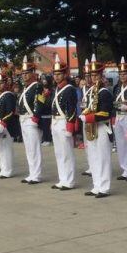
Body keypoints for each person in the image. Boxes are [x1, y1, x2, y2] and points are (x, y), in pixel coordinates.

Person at [80, 54, 114, 198]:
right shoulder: (90, 91)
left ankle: (104, 187)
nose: (94, 77)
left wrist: (89, 117)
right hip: (91, 127)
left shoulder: (104, 92)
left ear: (101, 75)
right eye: (92, 75)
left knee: (103, 157)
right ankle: (96, 185)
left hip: (101, 127)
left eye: (96, 75)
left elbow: (106, 113)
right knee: (93, 157)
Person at [17, 56, 47, 184]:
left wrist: (36, 116)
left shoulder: (37, 86)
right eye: (23, 74)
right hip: (24, 119)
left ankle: (37, 175)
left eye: (26, 73)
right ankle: (32, 173)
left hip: (31, 119)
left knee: (34, 148)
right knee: (29, 149)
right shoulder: (25, 88)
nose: (24, 76)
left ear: (32, 73)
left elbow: (39, 102)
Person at [50, 55, 78, 189]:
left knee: (67, 153)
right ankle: (62, 178)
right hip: (55, 122)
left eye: (59, 74)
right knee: (59, 153)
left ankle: (69, 180)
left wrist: (70, 126)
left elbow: (72, 108)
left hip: (64, 122)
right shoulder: (56, 89)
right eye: (55, 74)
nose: (56, 76)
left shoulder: (70, 89)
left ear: (65, 74)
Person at [0, 68, 17, 179]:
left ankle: (8, 170)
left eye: (1, 83)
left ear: (5, 83)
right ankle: (3, 169)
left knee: (7, 149)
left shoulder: (9, 95)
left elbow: (10, 111)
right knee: (0, 149)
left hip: (7, 126)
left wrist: (3, 122)